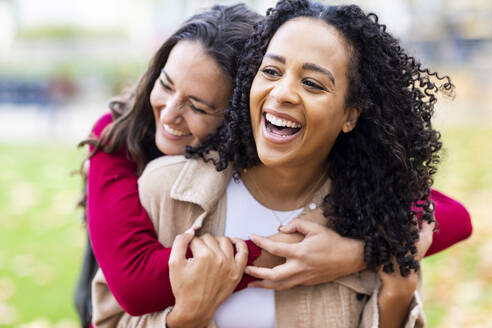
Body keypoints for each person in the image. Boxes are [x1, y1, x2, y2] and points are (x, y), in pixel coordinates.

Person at [91, 0, 469, 327]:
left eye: (314, 83)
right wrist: (183, 319)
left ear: (351, 115)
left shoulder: (376, 209)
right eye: (271, 71)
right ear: (249, 91)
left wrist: (375, 272)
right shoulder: (153, 177)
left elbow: (454, 217)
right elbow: (130, 291)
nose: (170, 114)